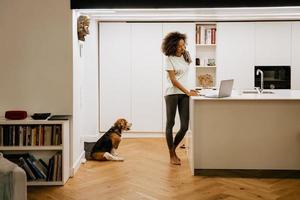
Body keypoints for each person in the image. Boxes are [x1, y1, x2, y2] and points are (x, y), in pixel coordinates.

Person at [161, 32, 198, 165]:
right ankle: (172, 155)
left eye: (183, 45)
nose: (182, 48)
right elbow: (173, 80)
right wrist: (187, 92)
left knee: (184, 126)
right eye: (179, 46)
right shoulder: (169, 58)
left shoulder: (186, 56)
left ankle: (173, 149)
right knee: (170, 123)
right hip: (171, 92)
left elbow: (185, 76)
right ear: (173, 46)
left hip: (185, 93)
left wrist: (189, 90)